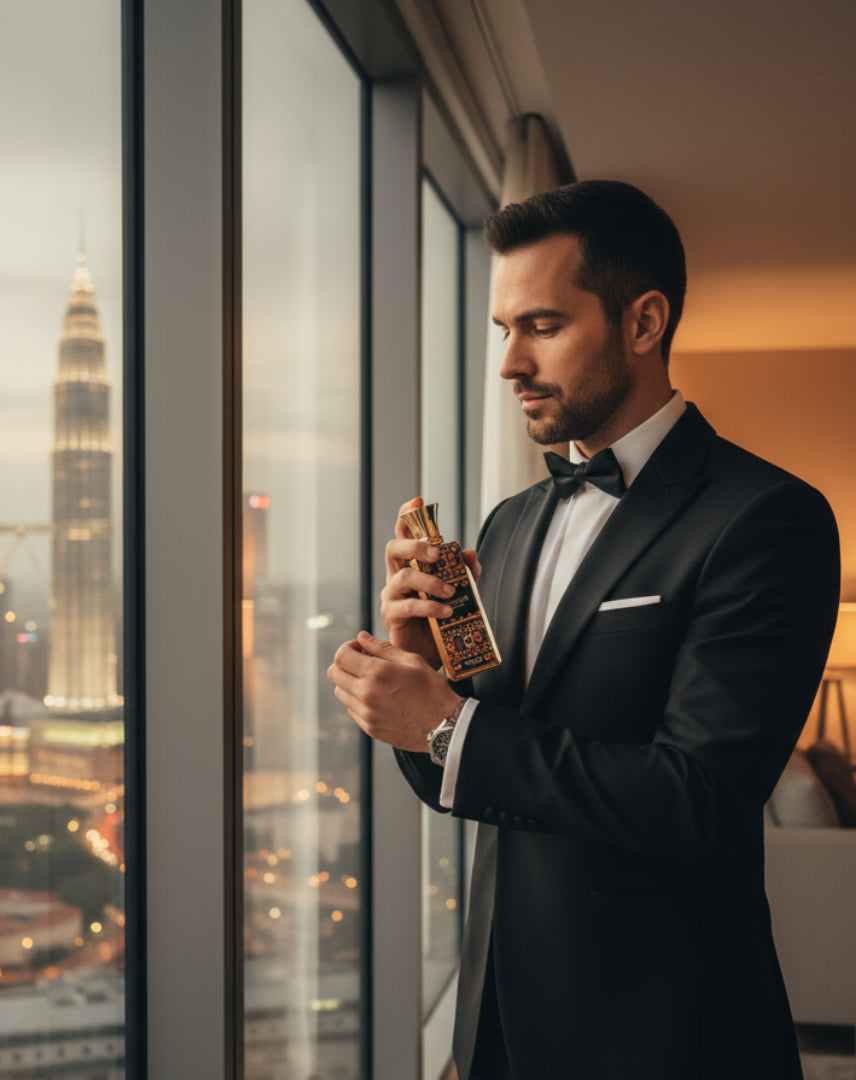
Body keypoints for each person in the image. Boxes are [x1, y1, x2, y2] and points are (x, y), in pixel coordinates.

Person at [326, 180, 840, 1080]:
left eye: (543, 327)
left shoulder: (767, 518)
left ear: (644, 322)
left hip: (664, 1034)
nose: (509, 364)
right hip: (492, 1027)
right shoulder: (508, 523)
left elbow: (698, 799)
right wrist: (419, 694)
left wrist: (449, 725)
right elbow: (472, 775)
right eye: (502, 332)